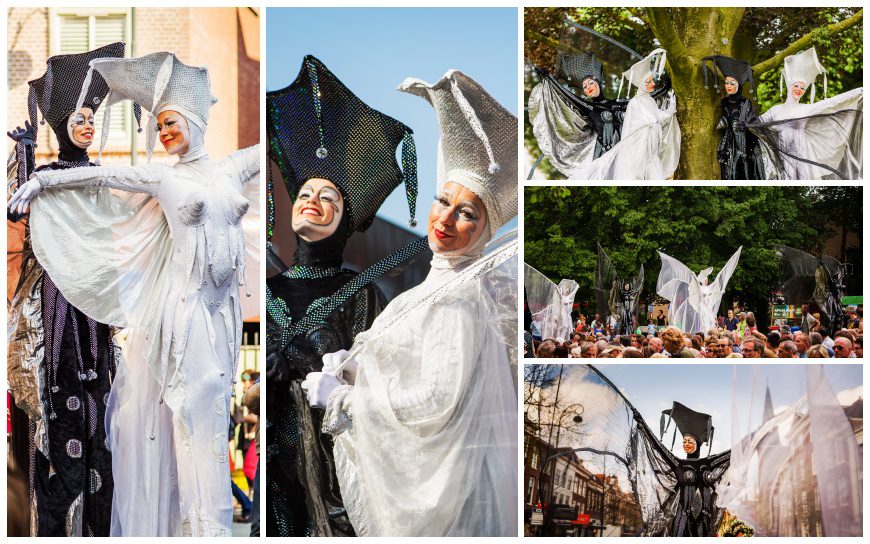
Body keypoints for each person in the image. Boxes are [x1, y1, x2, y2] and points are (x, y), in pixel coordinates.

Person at [9, 52, 260, 536]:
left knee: (212, 426)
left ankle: (210, 528)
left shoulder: (230, 168)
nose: (165, 132)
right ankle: (204, 530)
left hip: (222, 319)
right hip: (184, 317)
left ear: (194, 118)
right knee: (189, 420)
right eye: (159, 125)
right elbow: (101, 175)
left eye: (171, 122)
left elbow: (268, 142)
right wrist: (39, 178)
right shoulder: (165, 176)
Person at [303, 70, 518, 536]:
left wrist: (345, 400)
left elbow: (437, 400)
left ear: (484, 229)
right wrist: (359, 369)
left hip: (448, 506)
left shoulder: (456, 300)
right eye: (444, 201)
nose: (446, 219)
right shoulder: (436, 288)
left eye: (467, 212)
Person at [263, 55, 420, 537]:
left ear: (346, 218)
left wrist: (333, 384)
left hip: (333, 477)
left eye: (328, 196)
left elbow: (383, 387)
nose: (313, 197)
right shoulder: (263, 290)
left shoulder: (362, 294)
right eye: (306, 190)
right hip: (269, 479)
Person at [7, 42, 125, 537]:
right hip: (57, 320)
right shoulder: (44, 179)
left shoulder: (105, 180)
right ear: (61, 126)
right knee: (58, 432)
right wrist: (25, 159)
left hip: (95, 318)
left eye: (92, 118)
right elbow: (20, 223)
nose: (87, 125)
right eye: (79, 117)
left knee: (100, 435)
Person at [752, 47, 862, 180]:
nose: (799, 89)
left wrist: (857, 92)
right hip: (781, 156)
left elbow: (831, 103)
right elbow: (756, 123)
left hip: (801, 157)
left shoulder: (805, 109)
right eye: (796, 86)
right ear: (790, 86)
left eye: (802, 87)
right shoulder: (776, 110)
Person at [578, 49, 680, 179]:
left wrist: (665, 89)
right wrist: (549, 80)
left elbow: (646, 99)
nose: (589, 87)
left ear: (598, 82)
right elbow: (569, 98)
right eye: (585, 87)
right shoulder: (589, 108)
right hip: (603, 154)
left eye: (591, 83)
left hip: (626, 153)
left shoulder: (619, 104)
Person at [701, 55, 765, 179]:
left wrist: (746, 126)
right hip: (731, 147)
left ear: (739, 85)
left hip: (747, 146)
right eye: (726, 83)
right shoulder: (724, 103)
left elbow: (754, 124)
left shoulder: (746, 103)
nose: (728, 86)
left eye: (732, 83)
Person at [657, 247, 742, 334]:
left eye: (706, 279)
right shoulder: (699, 287)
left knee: (708, 325)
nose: (706, 280)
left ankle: (706, 335)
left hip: (707, 309)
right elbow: (695, 287)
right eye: (704, 279)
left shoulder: (709, 288)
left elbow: (718, 283)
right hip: (701, 309)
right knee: (703, 325)